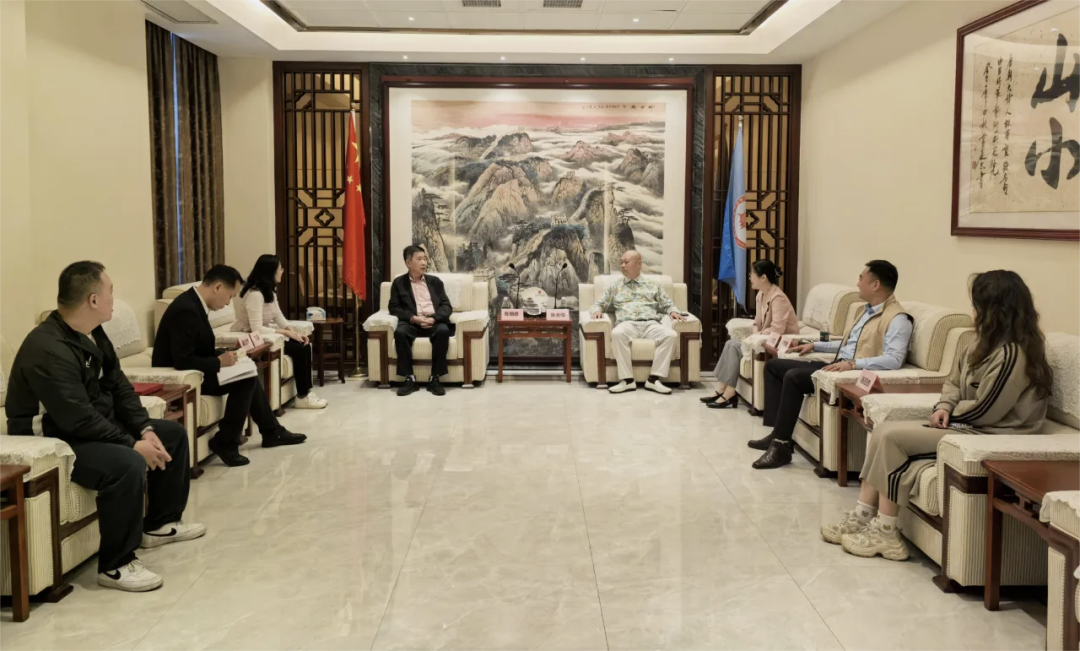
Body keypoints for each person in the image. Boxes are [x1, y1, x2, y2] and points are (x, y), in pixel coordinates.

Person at [821, 270, 1052, 561]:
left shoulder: (1013, 354)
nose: (973, 311)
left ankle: (886, 533)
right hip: (968, 423)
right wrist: (943, 406)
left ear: (995, 309)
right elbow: (952, 382)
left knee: (892, 439)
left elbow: (988, 409)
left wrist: (951, 412)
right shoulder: (980, 344)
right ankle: (863, 515)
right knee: (883, 429)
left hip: (993, 432)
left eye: (977, 304)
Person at [5, 261, 204, 592]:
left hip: (83, 427)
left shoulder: (93, 333)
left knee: (170, 434)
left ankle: (160, 524)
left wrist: (144, 429)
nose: (114, 297)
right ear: (93, 300)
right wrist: (131, 445)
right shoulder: (48, 347)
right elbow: (76, 417)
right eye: (110, 291)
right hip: (54, 438)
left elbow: (119, 386)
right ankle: (116, 565)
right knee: (127, 463)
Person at [751, 260, 914, 469]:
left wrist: (853, 364)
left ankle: (781, 446)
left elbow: (893, 359)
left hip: (852, 374)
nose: (857, 283)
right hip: (837, 365)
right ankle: (777, 434)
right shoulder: (867, 311)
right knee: (775, 366)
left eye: (861, 279)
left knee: (793, 377)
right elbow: (848, 344)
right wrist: (814, 345)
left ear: (876, 285)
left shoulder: (898, 319)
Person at [153, 265, 307, 467]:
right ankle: (227, 441)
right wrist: (219, 361)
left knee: (248, 371)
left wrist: (226, 354)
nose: (227, 303)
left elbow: (198, 347)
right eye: (229, 297)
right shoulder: (186, 310)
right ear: (217, 287)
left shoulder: (195, 303)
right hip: (183, 377)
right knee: (244, 380)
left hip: (195, 369)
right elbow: (183, 360)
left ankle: (271, 432)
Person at [233, 254, 326, 410]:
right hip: (253, 338)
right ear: (270, 272)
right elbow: (256, 328)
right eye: (280, 269)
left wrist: (294, 333)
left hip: (267, 335)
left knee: (303, 345)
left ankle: (305, 394)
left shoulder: (269, 293)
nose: (282, 271)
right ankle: (303, 396)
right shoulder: (255, 295)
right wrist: (285, 333)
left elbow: (279, 317)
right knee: (299, 349)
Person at [703, 260, 800, 409]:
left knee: (734, 346)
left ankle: (729, 392)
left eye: (752, 273)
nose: (749, 277)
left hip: (780, 343)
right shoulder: (761, 295)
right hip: (763, 339)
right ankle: (722, 388)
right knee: (731, 343)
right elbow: (756, 323)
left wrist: (756, 337)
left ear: (763, 277)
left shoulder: (778, 298)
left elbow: (777, 329)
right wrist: (754, 336)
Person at [589, 250, 685, 395]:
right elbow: (599, 304)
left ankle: (653, 379)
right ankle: (627, 380)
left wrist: (673, 311)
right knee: (617, 333)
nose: (622, 265)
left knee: (670, 335)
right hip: (627, 324)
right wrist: (597, 311)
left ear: (638, 264)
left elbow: (668, 304)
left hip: (650, 323)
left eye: (626, 262)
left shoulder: (653, 285)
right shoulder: (614, 286)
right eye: (621, 262)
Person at [388, 245, 453, 397]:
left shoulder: (435, 282)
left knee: (443, 331)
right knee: (400, 333)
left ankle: (435, 378)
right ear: (408, 263)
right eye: (419, 259)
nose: (424, 262)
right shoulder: (399, 283)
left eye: (425, 259)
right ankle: (409, 379)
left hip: (433, 321)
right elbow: (394, 307)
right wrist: (413, 318)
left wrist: (434, 319)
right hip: (412, 322)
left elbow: (446, 306)